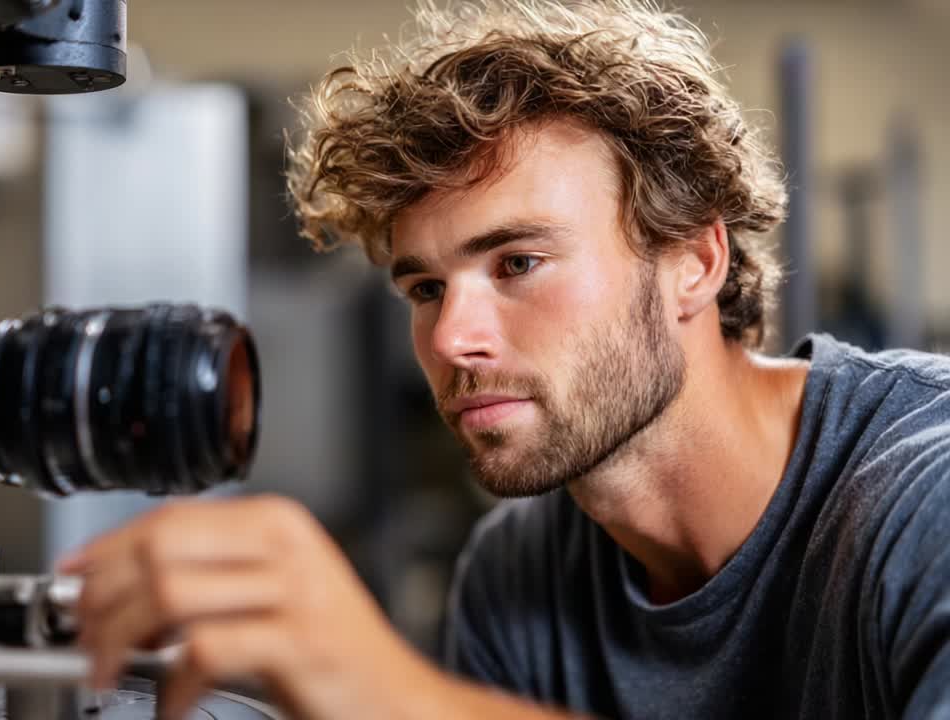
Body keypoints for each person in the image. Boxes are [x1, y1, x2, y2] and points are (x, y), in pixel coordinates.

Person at [56, 1, 950, 717]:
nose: (450, 340)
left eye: (517, 264)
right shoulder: (515, 573)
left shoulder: (923, 496)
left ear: (694, 263)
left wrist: (400, 699)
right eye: (426, 289)